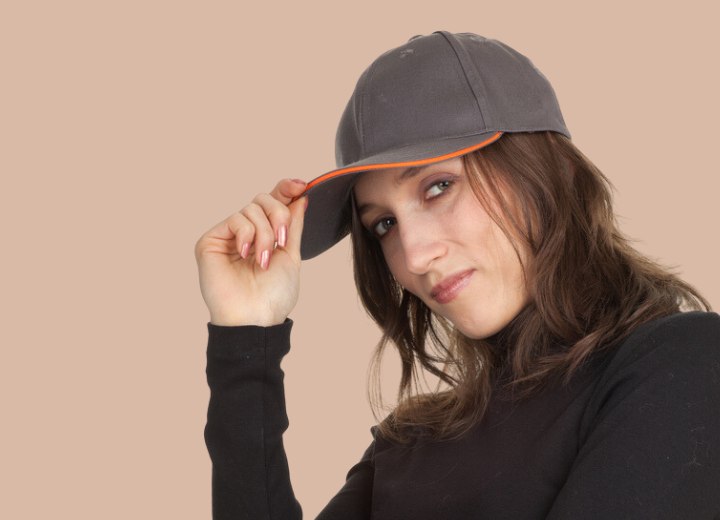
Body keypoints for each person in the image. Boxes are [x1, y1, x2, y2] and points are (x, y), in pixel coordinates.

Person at [194, 31, 720, 519]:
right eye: (383, 224)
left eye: (438, 187)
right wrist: (247, 338)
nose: (414, 255)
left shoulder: (684, 363)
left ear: (550, 171)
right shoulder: (406, 444)